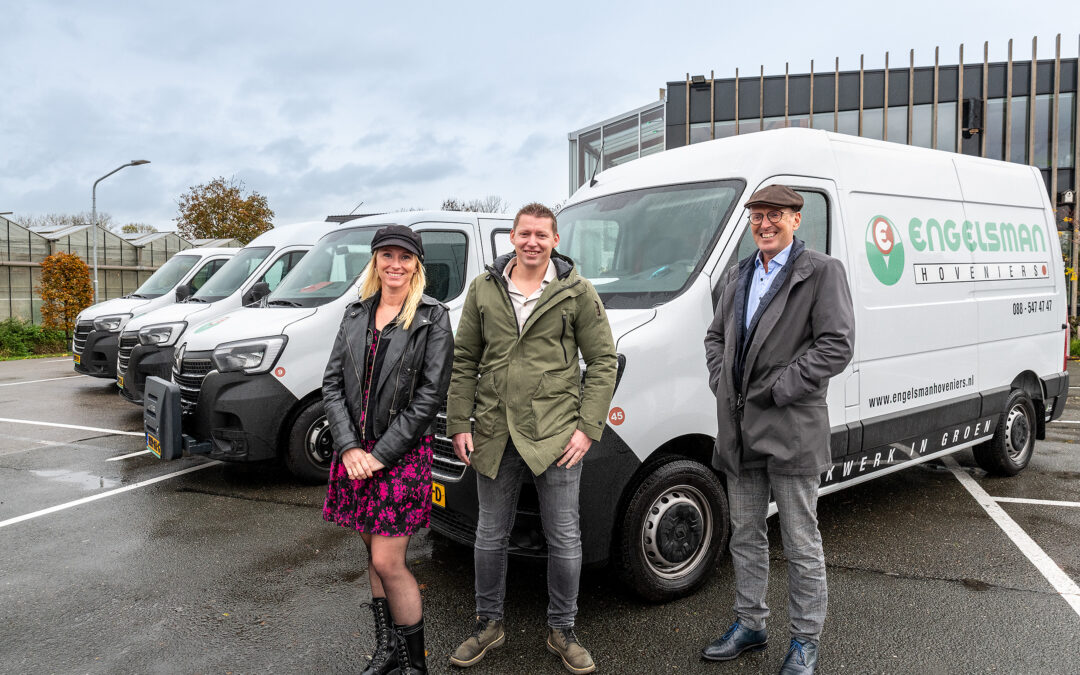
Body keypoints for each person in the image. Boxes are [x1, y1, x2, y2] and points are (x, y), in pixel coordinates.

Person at [446, 203, 617, 674]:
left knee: (564, 537)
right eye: (524, 234)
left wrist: (587, 428)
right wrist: (460, 422)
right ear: (512, 237)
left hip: (556, 434)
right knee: (489, 534)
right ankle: (488, 623)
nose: (532, 242)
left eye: (542, 235)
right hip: (494, 432)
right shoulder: (484, 288)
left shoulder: (577, 292)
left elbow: (603, 361)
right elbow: (464, 360)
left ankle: (563, 630)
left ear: (555, 240)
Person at [702, 185, 854, 675]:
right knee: (745, 536)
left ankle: (805, 641)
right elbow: (714, 337)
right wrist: (720, 380)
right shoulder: (739, 273)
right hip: (740, 430)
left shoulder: (822, 271)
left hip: (791, 426)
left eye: (774, 216)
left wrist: (780, 386)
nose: (764, 225)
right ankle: (750, 623)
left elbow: (836, 345)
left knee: (801, 542)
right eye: (757, 218)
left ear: (795, 219)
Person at [322, 225, 454, 675]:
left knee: (387, 560)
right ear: (375, 261)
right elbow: (332, 383)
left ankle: (415, 665)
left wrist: (380, 454)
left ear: (417, 263)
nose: (394, 264)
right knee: (370, 554)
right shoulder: (356, 312)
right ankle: (388, 652)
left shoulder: (432, 318)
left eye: (404, 256)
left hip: (398, 457)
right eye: (386, 255)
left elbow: (430, 396)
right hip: (354, 457)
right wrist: (347, 447)